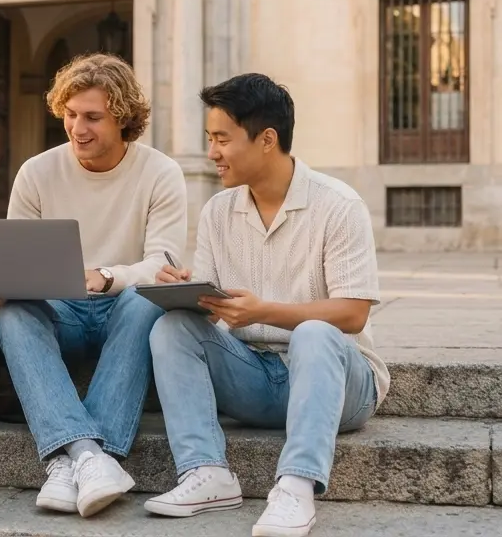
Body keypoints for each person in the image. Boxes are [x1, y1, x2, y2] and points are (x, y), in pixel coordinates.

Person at [145, 73, 389, 537]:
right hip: (254, 376)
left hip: (338, 386)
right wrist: (189, 292)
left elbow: (354, 313)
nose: (212, 153)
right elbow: (215, 311)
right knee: (171, 326)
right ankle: (206, 472)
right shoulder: (217, 211)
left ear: (266, 140)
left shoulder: (339, 205)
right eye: (209, 139)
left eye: (222, 139)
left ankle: (296, 487)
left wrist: (263, 311)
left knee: (315, 333)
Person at [0, 53, 188, 518]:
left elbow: (164, 264)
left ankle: (74, 461)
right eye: (70, 115)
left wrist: (107, 276)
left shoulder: (160, 172)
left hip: (124, 307)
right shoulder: (36, 172)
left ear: (123, 119)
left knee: (147, 301)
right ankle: (88, 456)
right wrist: (8, 284)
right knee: (14, 315)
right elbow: (17, 259)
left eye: (93, 118)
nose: (78, 128)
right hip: (62, 310)